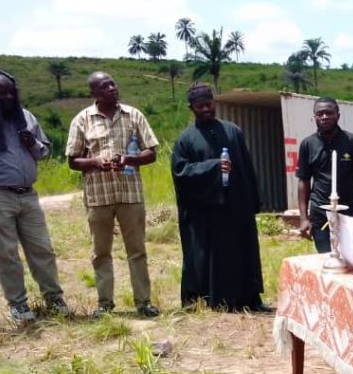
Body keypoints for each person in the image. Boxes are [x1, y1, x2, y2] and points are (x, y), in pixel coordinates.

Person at [0, 71, 68, 323]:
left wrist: (32, 143)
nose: (8, 97)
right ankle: (19, 305)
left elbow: (43, 152)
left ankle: (54, 298)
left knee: (42, 248)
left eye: (11, 91)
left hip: (29, 196)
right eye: (2, 93)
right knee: (6, 254)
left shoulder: (26, 118)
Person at [66, 71, 159, 318]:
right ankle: (105, 303)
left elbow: (152, 152)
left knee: (137, 250)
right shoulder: (82, 120)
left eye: (113, 84)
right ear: (93, 93)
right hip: (98, 197)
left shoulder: (134, 115)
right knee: (101, 253)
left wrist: (129, 158)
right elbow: (73, 161)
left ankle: (143, 302)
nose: (111, 88)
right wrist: (95, 162)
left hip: (130, 194)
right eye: (104, 86)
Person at [171, 83, 267, 311]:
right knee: (207, 257)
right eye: (200, 106)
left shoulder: (232, 131)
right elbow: (180, 173)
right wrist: (215, 168)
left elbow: (246, 168)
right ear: (191, 108)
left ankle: (248, 300)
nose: (206, 109)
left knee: (242, 253)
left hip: (235, 207)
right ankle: (208, 300)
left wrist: (252, 201)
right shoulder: (185, 139)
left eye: (209, 104)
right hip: (205, 212)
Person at [296, 97, 353, 253]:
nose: (324, 117)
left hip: (347, 211)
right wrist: (304, 218)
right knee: (326, 258)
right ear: (314, 117)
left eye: (329, 113)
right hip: (320, 213)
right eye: (320, 113)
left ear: (338, 115)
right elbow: (304, 181)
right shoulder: (308, 144)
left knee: (350, 256)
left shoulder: (351, 141)